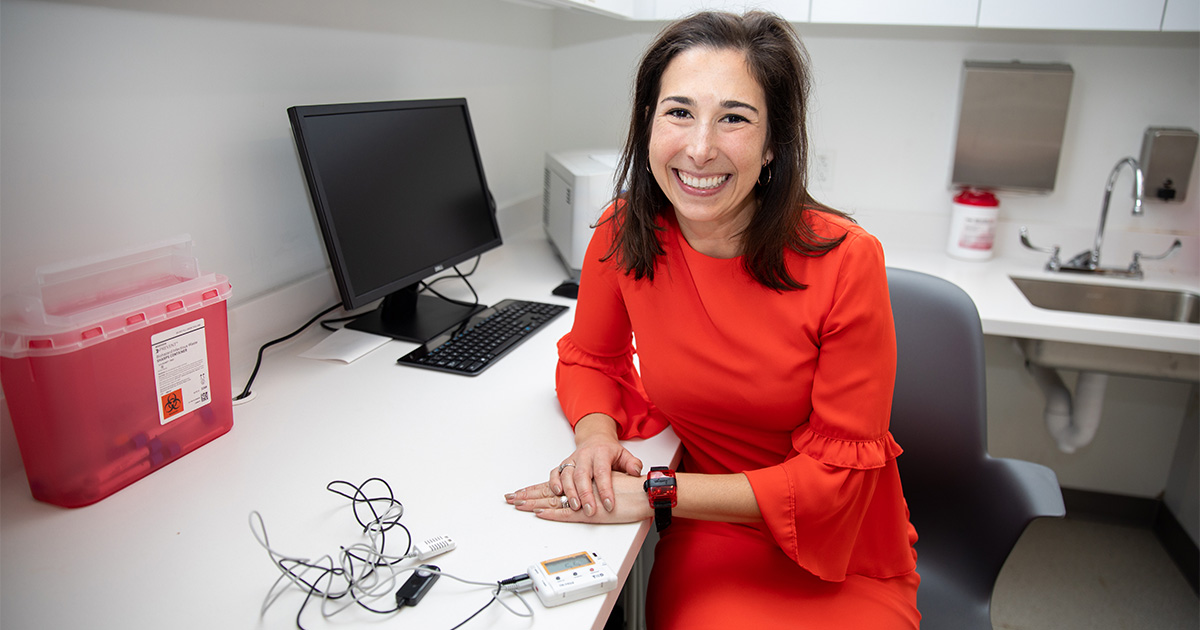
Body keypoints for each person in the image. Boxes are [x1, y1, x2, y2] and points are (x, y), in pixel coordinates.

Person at [505, 10, 919, 629]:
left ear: (774, 140)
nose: (700, 148)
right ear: (647, 123)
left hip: (839, 548)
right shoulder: (624, 233)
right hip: (716, 531)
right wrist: (596, 441)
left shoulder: (846, 260)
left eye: (734, 117)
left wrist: (654, 495)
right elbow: (592, 360)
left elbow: (836, 484)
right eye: (678, 112)